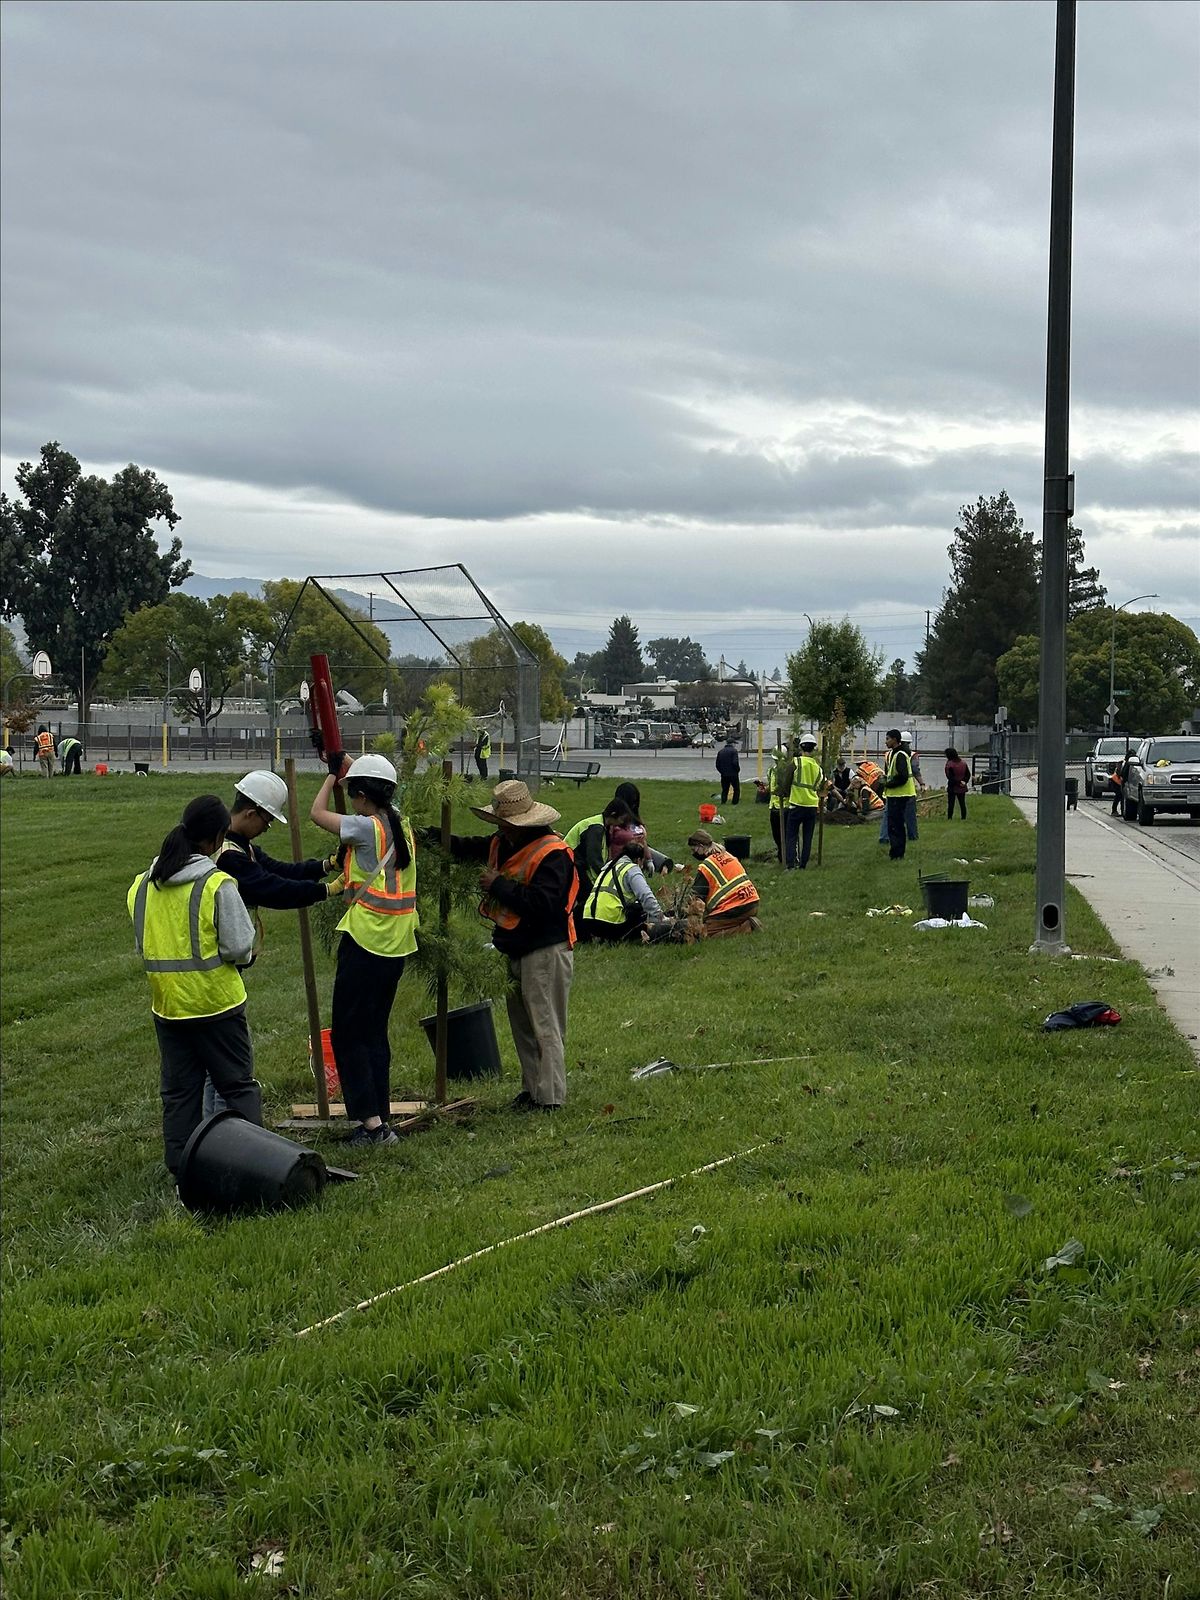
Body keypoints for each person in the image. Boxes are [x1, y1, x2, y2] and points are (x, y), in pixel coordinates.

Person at [127, 795, 262, 1177]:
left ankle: (184, 1173)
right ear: (217, 838)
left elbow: (144, 942)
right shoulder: (216, 884)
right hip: (218, 1006)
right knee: (237, 1089)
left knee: (179, 1094)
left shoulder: (141, 886)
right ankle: (250, 1167)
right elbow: (239, 946)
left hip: (168, 1008)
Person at [203, 770, 340, 1116]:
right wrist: (326, 891)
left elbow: (279, 871)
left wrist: (324, 866)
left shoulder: (241, 845)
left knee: (216, 1061)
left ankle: (211, 1125)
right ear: (251, 813)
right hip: (217, 959)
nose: (267, 827)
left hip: (226, 956)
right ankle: (221, 1128)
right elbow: (272, 888)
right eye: (266, 820)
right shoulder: (229, 856)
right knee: (228, 1058)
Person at [441, 780, 577, 1111]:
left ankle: (550, 1098)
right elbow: (466, 847)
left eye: (505, 823)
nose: (500, 828)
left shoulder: (554, 854)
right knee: (523, 1025)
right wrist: (425, 836)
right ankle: (533, 1090)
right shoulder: (503, 843)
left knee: (545, 1025)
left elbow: (545, 905)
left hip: (545, 949)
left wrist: (498, 885)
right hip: (516, 947)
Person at [310, 752, 418, 1146]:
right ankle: (380, 1118)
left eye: (354, 792)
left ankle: (371, 1126)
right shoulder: (401, 822)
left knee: (348, 1034)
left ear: (361, 795)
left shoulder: (364, 827)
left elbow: (317, 814)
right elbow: (383, 789)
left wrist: (331, 777)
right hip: (397, 943)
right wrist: (348, 764)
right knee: (373, 1032)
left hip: (366, 940)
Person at [578, 842, 669, 943]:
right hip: (610, 922)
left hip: (588, 919)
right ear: (638, 860)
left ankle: (601, 937)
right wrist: (661, 917)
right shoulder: (632, 869)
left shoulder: (608, 867)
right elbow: (646, 896)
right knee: (639, 910)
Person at [686, 830, 760, 936]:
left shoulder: (707, 866)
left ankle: (746, 927)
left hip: (735, 908)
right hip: (752, 904)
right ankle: (743, 922)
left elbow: (695, 896)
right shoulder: (728, 855)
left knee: (702, 933)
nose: (693, 853)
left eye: (694, 850)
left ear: (701, 846)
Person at [784, 734, 824, 870]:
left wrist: (784, 793)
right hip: (811, 806)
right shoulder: (817, 767)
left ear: (801, 747)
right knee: (808, 837)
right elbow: (819, 785)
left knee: (791, 836)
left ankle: (790, 864)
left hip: (796, 804)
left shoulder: (795, 762)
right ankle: (803, 865)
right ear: (813, 748)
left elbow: (787, 782)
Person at [613, 781, 671, 873]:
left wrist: (649, 860)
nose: (634, 805)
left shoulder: (635, 819)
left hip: (638, 863)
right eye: (632, 801)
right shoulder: (615, 822)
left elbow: (643, 841)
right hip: (621, 863)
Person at [882, 729, 916, 859]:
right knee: (895, 825)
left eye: (888, 739)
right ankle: (896, 852)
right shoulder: (894, 754)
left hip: (899, 795)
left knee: (896, 826)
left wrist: (888, 784)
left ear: (895, 739)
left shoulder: (900, 755)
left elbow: (903, 777)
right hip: (896, 795)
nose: (886, 742)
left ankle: (897, 853)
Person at [766, 748, 784, 861]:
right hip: (773, 806)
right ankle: (780, 853)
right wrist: (765, 789)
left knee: (785, 835)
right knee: (776, 834)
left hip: (784, 807)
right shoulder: (772, 771)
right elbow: (771, 785)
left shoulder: (787, 771)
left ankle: (786, 856)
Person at [944, 747, 970, 820]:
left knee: (951, 804)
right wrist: (964, 781)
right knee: (962, 803)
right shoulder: (963, 763)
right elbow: (968, 774)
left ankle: (950, 818)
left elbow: (950, 777)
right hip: (962, 786)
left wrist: (958, 782)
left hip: (952, 787)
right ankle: (963, 818)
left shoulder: (949, 764)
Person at [716, 737, 741, 806]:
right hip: (733, 774)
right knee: (736, 789)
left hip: (724, 774)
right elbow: (735, 762)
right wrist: (737, 770)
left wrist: (721, 771)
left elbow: (717, 764)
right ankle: (734, 802)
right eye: (734, 744)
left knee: (725, 789)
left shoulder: (721, 752)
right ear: (732, 744)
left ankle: (723, 801)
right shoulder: (734, 751)